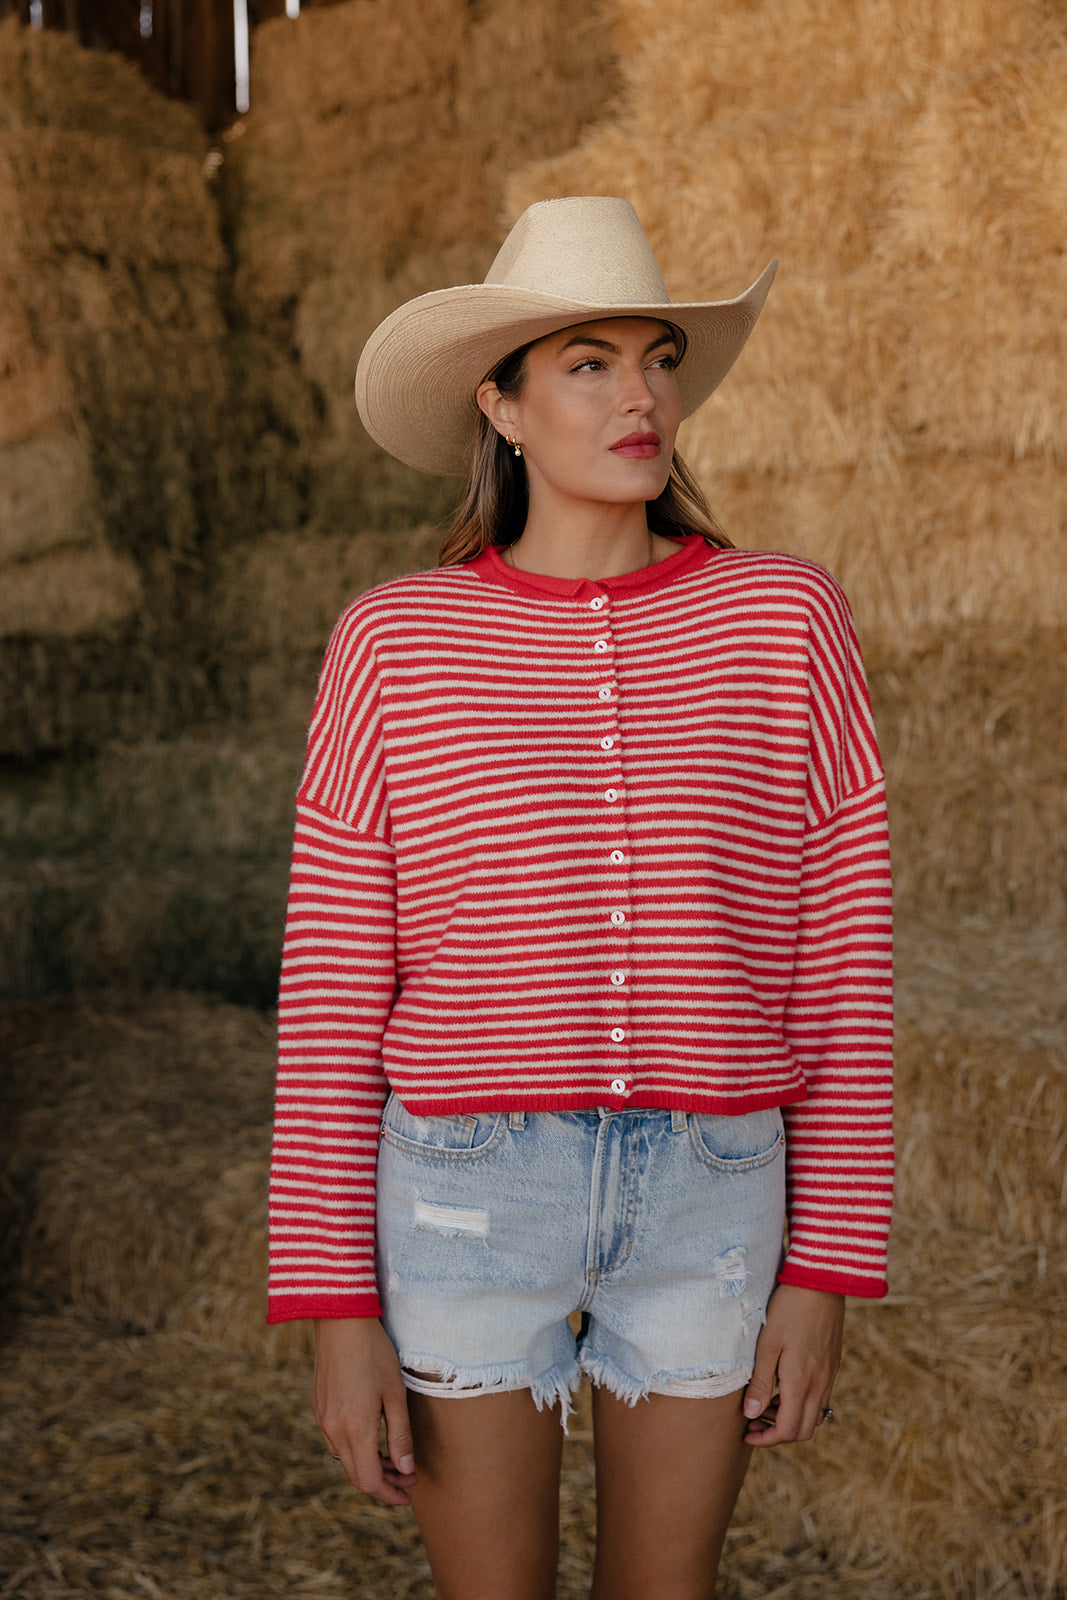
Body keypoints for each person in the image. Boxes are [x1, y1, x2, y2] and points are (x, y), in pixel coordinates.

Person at [268, 196, 893, 1600]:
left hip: (714, 1195)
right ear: (499, 404)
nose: (643, 395)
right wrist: (331, 1305)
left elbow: (844, 955)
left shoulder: (786, 618)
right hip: (462, 1198)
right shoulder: (394, 642)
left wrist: (827, 1269)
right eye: (589, 363)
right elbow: (329, 983)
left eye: (659, 356)